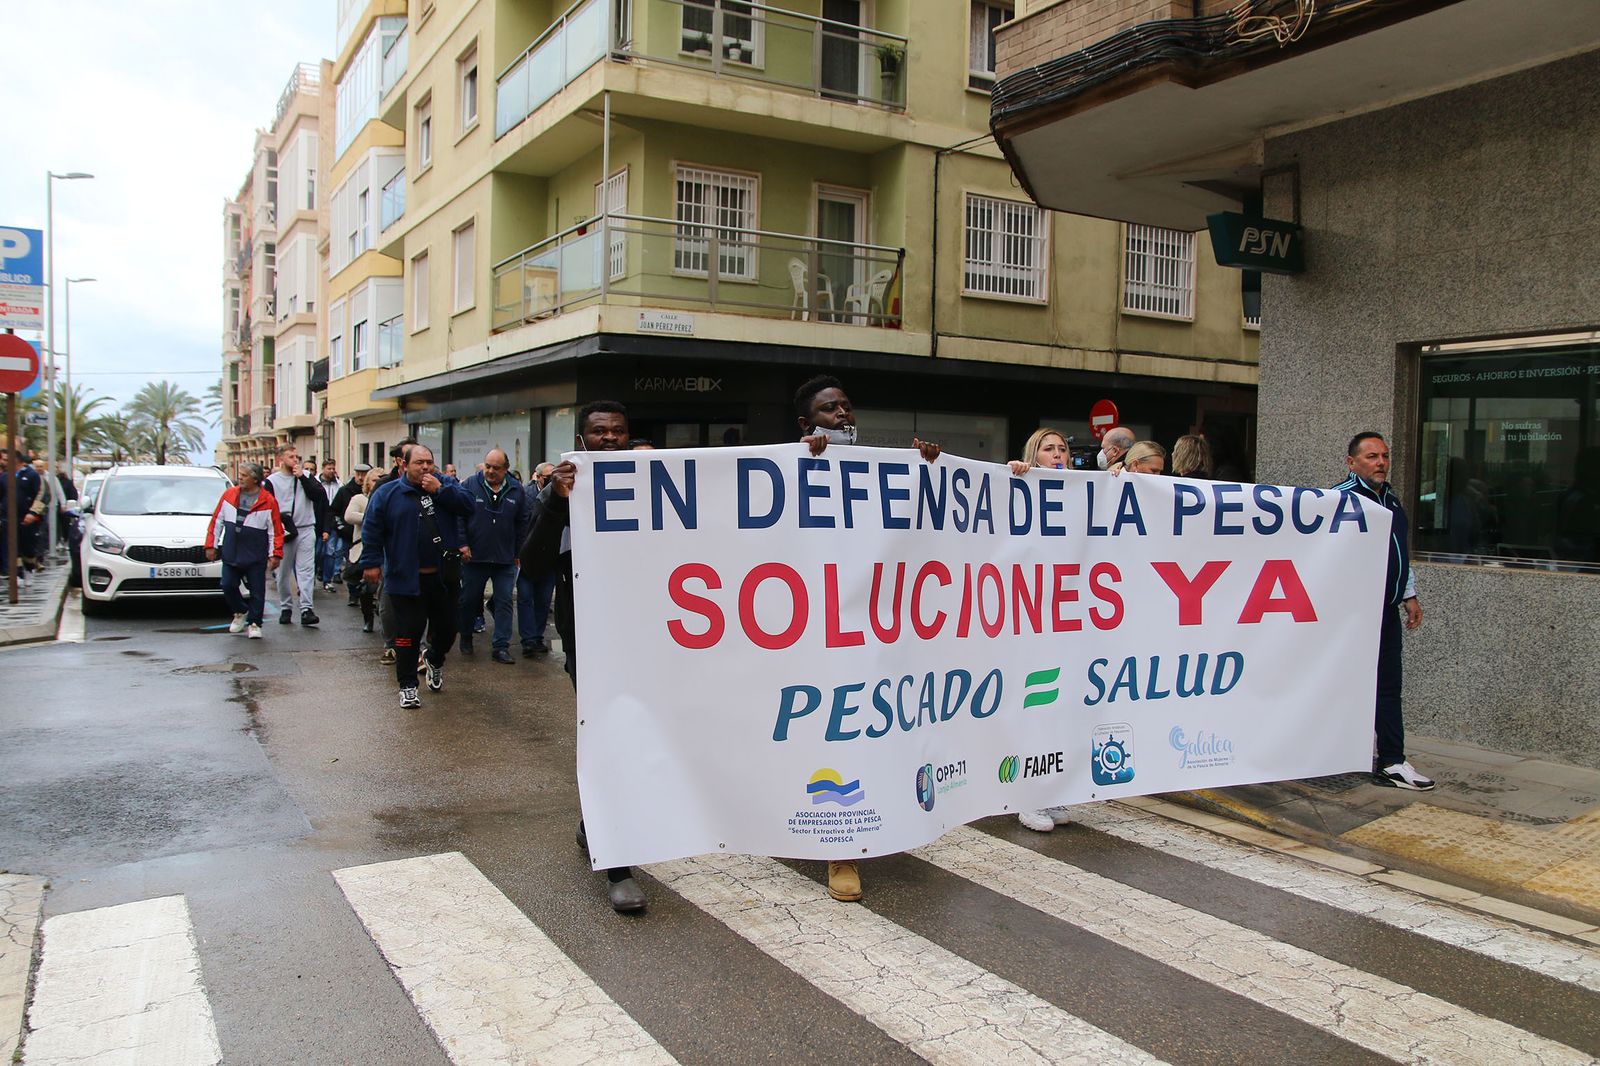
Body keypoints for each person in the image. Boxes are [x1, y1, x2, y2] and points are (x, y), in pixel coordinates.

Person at [794, 374, 939, 903]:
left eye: (846, 407)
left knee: (873, 729)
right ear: (806, 423)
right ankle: (841, 849)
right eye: (829, 410)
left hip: (875, 628)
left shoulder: (878, 467)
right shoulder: (788, 468)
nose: (842, 416)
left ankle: (872, 824)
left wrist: (927, 471)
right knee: (831, 734)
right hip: (817, 629)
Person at [521, 401, 647, 913]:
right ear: (581, 440)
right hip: (592, 643)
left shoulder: (651, 485)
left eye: (618, 431)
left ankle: (595, 821)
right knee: (609, 738)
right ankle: (617, 861)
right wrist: (556, 502)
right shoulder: (561, 493)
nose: (610, 439)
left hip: (652, 640)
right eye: (599, 432)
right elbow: (532, 565)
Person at [1335, 432, 1434, 791]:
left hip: (1386, 612)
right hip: (1352, 617)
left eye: (1385, 456)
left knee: (1388, 686)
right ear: (1352, 463)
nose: (1381, 462)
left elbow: (1399, 553)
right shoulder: (1340, 501)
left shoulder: (1390, 500)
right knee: (1340, 683)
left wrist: (1409, 594)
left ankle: (1392, 760)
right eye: (1372, 456)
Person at [360, 444, 473, 709]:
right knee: (407, 635)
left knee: (448, 629)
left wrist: (440, 490)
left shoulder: (446, 484)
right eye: (418, 463)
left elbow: (469, 506)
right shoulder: (387, 493)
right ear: (404, 464)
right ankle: (408, 685)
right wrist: (371, 563)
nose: (425, 467)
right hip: (405, 579)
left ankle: (434, 658)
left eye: (429, 462)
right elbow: (372, 529)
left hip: (443, 578)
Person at [1006, 428, 1076, 835]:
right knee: (1031, 707)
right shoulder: (1020, 484)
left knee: (1057, 709)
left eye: (1062, 448)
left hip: (1061, 620)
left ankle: (1049, 789)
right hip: (1026, 620)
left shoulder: (1079, 492)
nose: (1057, 454)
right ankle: (1025, 796)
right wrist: (1015, 474)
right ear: (1034, 454)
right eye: (1048, 449)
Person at [458, 448, 531, 664]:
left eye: (496, 468)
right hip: (475, 557)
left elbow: (522, 522)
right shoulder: (470, 485)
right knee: (469, 600)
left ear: (506, 469)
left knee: (504, 601)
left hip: (504, 558)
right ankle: (466, 636)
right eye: (487, 466)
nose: (490, 471)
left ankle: (501, 646)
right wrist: (463, 544)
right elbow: (459, 517)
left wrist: (519, 551)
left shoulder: (516, 490)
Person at [204, 462, 284, 640]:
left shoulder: (268, 500)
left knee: (257, 591)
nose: (240, 478)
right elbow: (217, 521)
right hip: (231, 551)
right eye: (240, 474)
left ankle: (255, 623)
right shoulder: (229, 494)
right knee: (227, 584)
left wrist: (275, 554)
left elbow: (275, 530)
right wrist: (211, 545)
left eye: (244, 475)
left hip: (255, 554)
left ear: (255, 479)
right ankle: (240, 611)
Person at [266, 444, 330, 626]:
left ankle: (306, 609)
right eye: (291, 457)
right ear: (281, 459)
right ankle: (286, 607)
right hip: (284, 531)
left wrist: (302, 477)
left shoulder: (307, 477)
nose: (295, 460)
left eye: (297, 457)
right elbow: (267, 506)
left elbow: (319, 496)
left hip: (306, 528)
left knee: (306, 570)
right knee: (283, 572)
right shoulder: (272, 481)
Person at [516, 462, 558, 657]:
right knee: (525, 598)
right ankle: (528, 640)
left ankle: (537, 637)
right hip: (527, 556)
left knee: (543, 600)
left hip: (549, 557)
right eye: (547, 476)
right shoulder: (526, 495)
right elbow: (521, 524)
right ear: (538, 477)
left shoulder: (561, 495)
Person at [344, 467, 382, 633]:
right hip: (363, 548)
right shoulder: (360, 499)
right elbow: (349, 516)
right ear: (368, 483)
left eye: (380, 479)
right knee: (367, 588)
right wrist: (371, 516)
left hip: (384, 549)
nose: (378, 483)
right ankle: (368, 618)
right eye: (374, 480)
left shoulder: (387, 498)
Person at [331, 463, 373, 606]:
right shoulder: (345, 491)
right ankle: (353, 594)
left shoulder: (375, 494)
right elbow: (336, 512)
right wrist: (341, 528)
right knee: (352, 564)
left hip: (367, 537)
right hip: (349, 535)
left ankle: (367, 595)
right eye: (358, 474)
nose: (360, 477)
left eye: (364, 474)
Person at [0, 443, 43, 580]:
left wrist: (33, 513)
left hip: (27, 519)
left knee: (28, 548)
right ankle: (17, 575)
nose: (4, 462)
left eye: (7, 460)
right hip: (8, 519)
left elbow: (42, 496)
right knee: (12, 548)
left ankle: (29, 569)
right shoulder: (4, 477)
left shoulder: (32, 475)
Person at [317, 459, 343, 590]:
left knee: (331, 551)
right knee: (318, 552)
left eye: (333, 468)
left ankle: (328, 579)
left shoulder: (339, 484)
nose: (332, 471)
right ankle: (318, 571)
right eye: (329, 468)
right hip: (318, 521)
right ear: (323, 468)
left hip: (333, 521)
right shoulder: (316, 483)